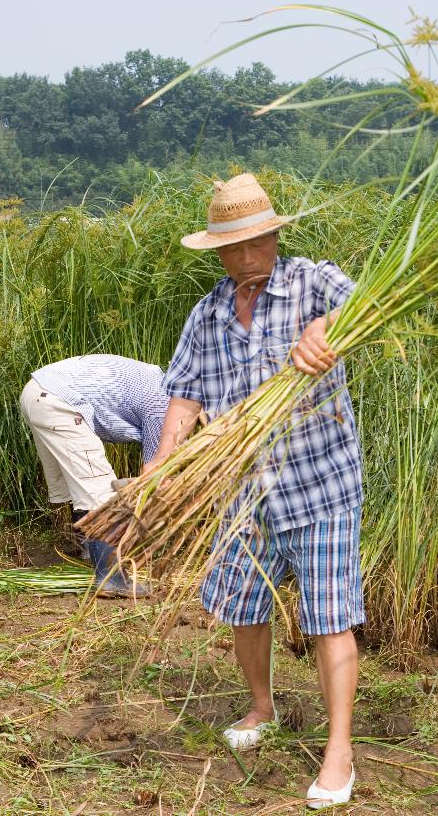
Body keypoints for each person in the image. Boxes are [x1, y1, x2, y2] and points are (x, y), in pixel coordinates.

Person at [143, 174, 363, 808]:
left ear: (274, 236)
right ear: (217, 251)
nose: (245, 259)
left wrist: (327, 326)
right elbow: (184, 392)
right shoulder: (208, 312)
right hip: (245, 490)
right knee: (242, 605)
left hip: (319, 483)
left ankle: (339, 752)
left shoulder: (312, 281)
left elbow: (366, 304)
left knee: (329, 617)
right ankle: (262, 707)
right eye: (232, 248)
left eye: (255, 243)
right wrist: (162, 465)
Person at [20, 354, 165, 598]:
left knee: (72, 484)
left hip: (38, 391)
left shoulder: (159, 381)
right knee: (100, 493)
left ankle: (85, 550)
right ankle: (111, 579)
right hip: (60, 402)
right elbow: (153, 471)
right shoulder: (163, 404)